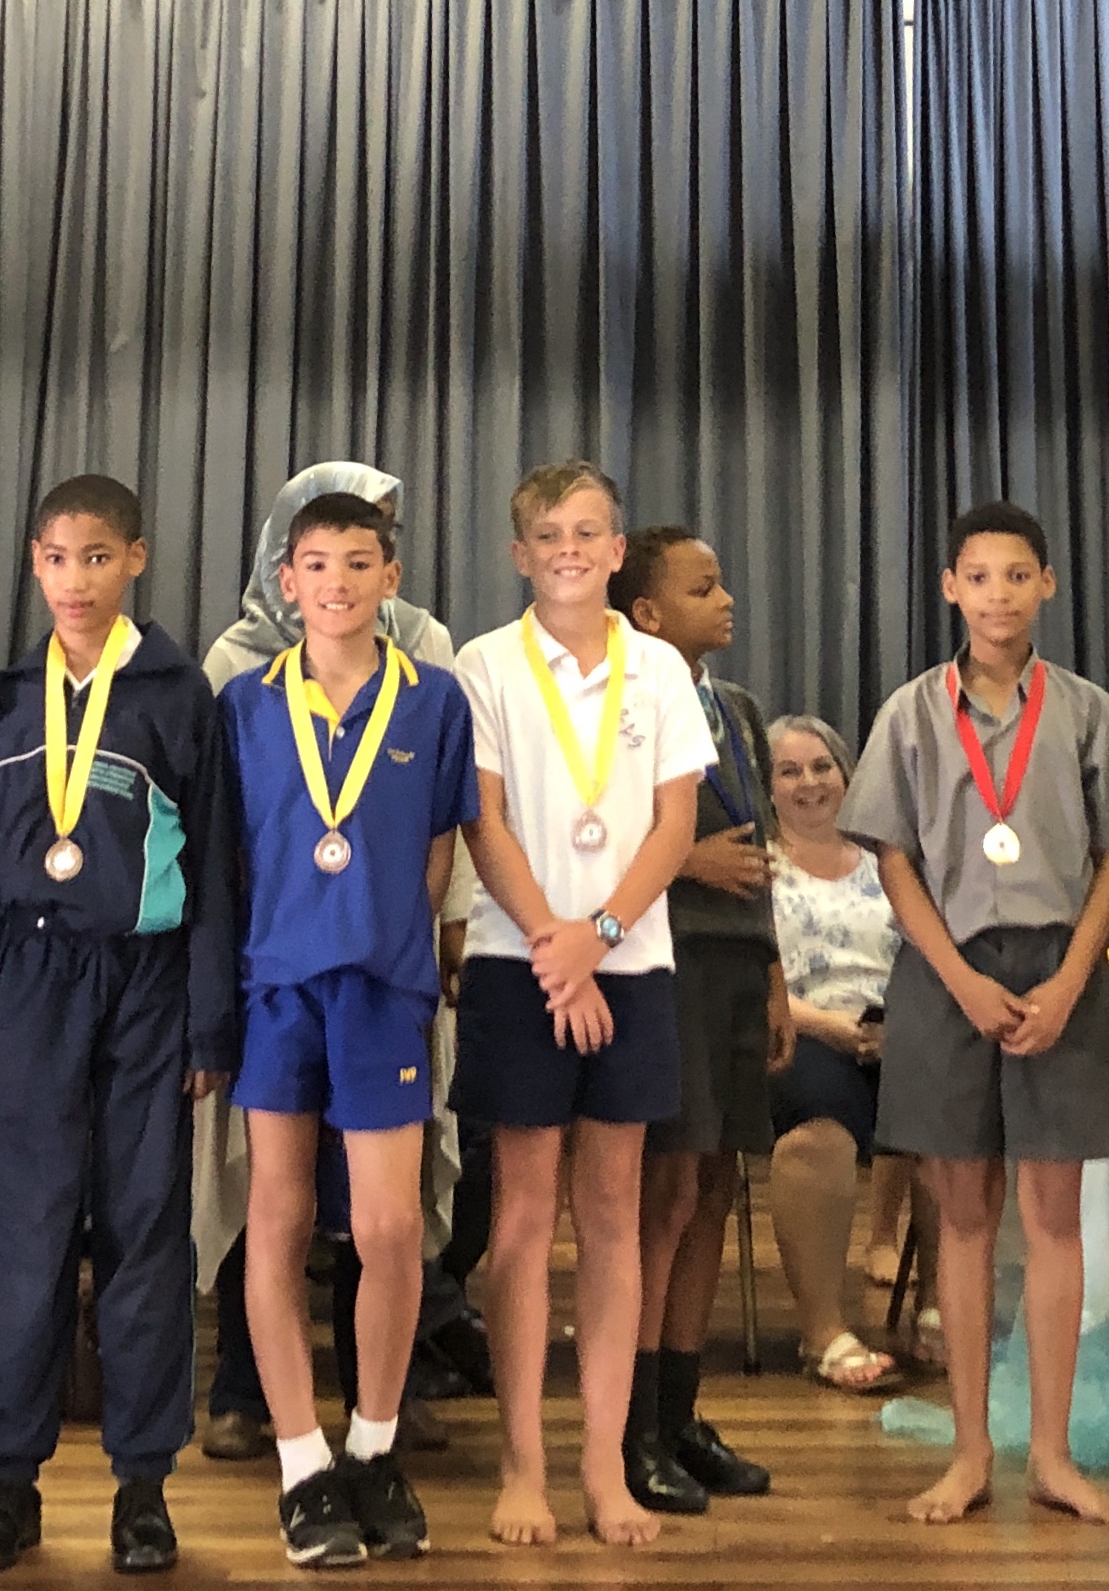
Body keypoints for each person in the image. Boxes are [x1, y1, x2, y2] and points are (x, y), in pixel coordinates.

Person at [0, 476, 242, 1575]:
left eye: (99, 557)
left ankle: (142, 1486)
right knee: (24, 1230)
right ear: (34, 561)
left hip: (147, 981)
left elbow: (217, 867)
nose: (78, 579)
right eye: (59, 558)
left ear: (136, 560)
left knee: (146, 1230)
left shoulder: (179, 695)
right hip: (29, 977)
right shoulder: (4, 698)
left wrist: (209, 1024)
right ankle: (3, 1485)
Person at [839, 501, 1109, 1528]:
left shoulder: (1087, 711)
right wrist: (958, 978)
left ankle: (1053, 1454)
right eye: (978, 577)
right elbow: (892, 859)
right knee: (964, 1215)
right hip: (947, 971)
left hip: (1060, 966)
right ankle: (971, 1449)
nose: (998, 595)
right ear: (950, 588)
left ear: (1047, 585)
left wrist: (1070, 980)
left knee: (1053, 1216)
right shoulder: (910, 713)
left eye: (1017, 575)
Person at [453, 462, 712, 1551]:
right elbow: (483, 822)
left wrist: (596, 938)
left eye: (588, 531)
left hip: (629, 961)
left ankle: (605, 1462)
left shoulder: (659, 668)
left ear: (616, 551)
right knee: (521, 1214)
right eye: (548, 533)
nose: (568, 548)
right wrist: (555, 949)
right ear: (521, 554)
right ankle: (524, 1461)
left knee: (613, 1212)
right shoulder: (482, 665)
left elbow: (674, 823)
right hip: (517, 959)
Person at [215, 491, 477, 1567]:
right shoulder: (244, 702)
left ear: (389, 578)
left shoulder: (435, 699)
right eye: (316, 564)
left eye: (358, 562)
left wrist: (403, 947)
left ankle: (372, 1445)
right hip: (277, 987)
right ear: (287, 581)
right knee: (276, 1219)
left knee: (390, 1228)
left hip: (383, 988)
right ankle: (301, 1464)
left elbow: (439, 847)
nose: (336, 582)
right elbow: (236, 857)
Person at [609, 522, 786, 1510]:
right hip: (664, 960)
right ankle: (632, 1425)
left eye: (721, 584)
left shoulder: (739, 707)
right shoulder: (621, 705)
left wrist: (775, 973)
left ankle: (680, 1410)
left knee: (716, 1184)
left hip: (736, 967)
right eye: (702, 587)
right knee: (665, 1191)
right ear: (645, 612)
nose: (725, 600)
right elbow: (593, 834)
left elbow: (762, 854)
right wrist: (689, 860)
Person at [759, 715, 908, 1395]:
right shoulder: (756, 869)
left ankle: (938, 1306)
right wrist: (829, 1026)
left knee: (953, 1109)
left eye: (821, 766)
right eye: (788, 771)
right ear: (767, 788)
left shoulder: (887, 866)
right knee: (820, 1127)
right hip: (794, 1033)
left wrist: (898, 1026)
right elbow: (747, 981)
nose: (808, 783)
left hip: (892, 1034)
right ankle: (823, 1332)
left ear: (847, 775)